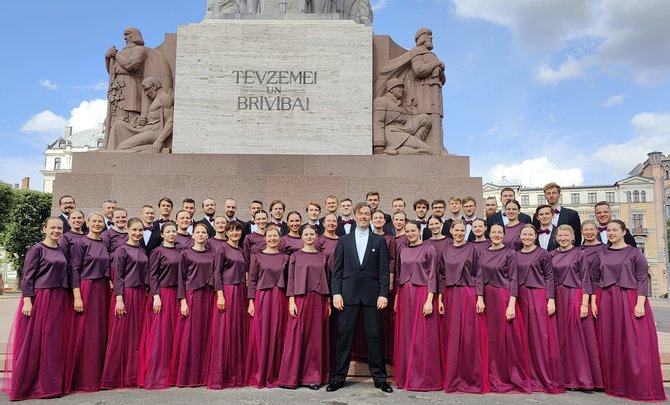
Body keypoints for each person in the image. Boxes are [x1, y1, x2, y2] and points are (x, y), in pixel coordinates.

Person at [591, 220, 665, 401]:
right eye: (609, 230)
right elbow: (594, 278)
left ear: (624, 232)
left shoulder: (635, 253)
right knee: (610, 340)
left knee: (633, 342)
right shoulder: (601, 254)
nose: (611, 233)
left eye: (615, 230)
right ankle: (614, 384)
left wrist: (640, 304)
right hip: (606, 299)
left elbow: (642, 280)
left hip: (630, 299)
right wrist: (593, 301)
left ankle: (635, 385)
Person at [327, 202, 392, 393]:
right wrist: (336, 293)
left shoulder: (379, 241)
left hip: (373, 297)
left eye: (366, 213)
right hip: (348, 295)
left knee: (375, 336)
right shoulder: (344, 241)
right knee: (344, 337)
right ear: (354, 216)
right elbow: (336, 271)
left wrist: (383, 294)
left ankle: (380, 379)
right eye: (360, 213)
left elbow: (384, 271)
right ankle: (338, 378)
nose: (363, 216)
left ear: (370, 216)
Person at [2, 217, 69, 401]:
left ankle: (49, 386)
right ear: (44, 229)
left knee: (51, 342)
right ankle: (27, 386)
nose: (56, 231)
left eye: (59, 228)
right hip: (40, 298)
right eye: (52, 227)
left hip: (58, 298)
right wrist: (27, 301)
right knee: (34, 341)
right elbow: (27, 277)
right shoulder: (37, 249)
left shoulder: (61, 250)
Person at [477, 223, 531, 393]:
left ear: (504, 234)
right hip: (486, 297)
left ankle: (504, 374)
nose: (497, 235)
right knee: (489, 338)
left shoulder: (510, 253)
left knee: (504, 338)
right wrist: (479, 298)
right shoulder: (483, 252)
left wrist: (512, 304)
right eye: (494, 232)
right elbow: (479, 277)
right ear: (489, 233)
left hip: (502, 297)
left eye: (500, 232)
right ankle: (489, 373)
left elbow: (514, 279)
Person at [437, 220, 488, 394]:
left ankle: (470, 377)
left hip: (468, 294)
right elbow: (442, 276)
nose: (459, 233)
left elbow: (479, 274)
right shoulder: (446, 250)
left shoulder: (473, 248)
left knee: (468, 337)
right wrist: (440, 299)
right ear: (450, 230)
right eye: (456, 230)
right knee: (452, 336)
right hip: (451, 296)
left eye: (462, 230)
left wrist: (479, 298)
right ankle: (452, 376)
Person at [278, 225, 331, 390]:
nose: (309, 236)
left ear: (316, 236)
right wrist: (291, 300)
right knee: (297, 335)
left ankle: (313, 377)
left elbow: (328, 279)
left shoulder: (323, 256)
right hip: (300, 299)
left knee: (315, 338)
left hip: (319, 299)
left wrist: (328, 302)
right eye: (306, 234)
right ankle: (292, 376)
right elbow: (291, 279)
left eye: (311, 234)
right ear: (301, 236)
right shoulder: (295, 256)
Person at [550, 225, 602, 390]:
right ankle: (565, 378)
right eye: (560, 235)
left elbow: (586, 280)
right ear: (556, 237)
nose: (563, 238)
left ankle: (581, 379)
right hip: (558, 297)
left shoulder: (580, 254)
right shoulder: (551, 255)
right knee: (561, 338)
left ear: (573, 237)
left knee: (576, 338)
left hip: (575, 296)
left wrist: (584, 304)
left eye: (567, 235)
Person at [515, 224, 564, 394]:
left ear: (535, 236)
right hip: (521, 297)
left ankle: (544, 376)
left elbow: (550, 277)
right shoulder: (515, 255)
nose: (527, 237)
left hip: (538, 296)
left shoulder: (543, 253)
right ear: (520, 237)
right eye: (524, 235)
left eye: (530, 235)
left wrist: (550, 299)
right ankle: (527, 374)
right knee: (524, 337)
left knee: (540, 336)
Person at [101, 217, 149, 389]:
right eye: (134, 230)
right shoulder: (121, 250)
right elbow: (118, 275)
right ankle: (113, 377)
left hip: (140, 295)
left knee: (136, 335)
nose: (137, 233)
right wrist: (119, 299)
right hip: (126, 294)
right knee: (121, 334)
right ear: (128, 230)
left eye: (140, 230)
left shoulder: (143, 251)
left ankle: (133, 374)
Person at [393, 221, 441, 391]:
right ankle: (407, 377)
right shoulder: (403, 250)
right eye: (407, 231)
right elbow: (399, 276)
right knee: (406, 335)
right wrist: (397, 299)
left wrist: (429, 300)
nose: (410, 233)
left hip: (422, 293)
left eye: (413, 230)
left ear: (419, 231)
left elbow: (433, 275)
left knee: (422, 336)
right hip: (405, 294)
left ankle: (423, 378)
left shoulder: (429, 249)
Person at [66, 212, 111, 393]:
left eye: (100, 222)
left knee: (99, 331)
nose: (98, 224)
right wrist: (77, 295)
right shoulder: (80, 243)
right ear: (88, 223)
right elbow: (74, 270)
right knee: (84, 332)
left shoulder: (104, 243)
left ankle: (96, 374)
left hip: (102, 290)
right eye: (94, 221)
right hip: (87, 288)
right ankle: (81, 377)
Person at [138, 221, 181, 389]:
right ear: (162, 234)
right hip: (162, 295)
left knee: (173, 334)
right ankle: (157, 372)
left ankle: (172, 372)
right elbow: (153, 275)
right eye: (168, 231)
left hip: (176, 294)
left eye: (173, 231)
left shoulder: (180, 251)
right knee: (160, 335)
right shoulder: (157, 252)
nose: (172, 233)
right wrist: (156, 296)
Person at [245, 226, 289, 388]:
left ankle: (276, 373)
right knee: (262, 334)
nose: (272, 239)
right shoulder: (256, 257)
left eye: (275, 236)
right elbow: (253, 281)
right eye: (269, 236)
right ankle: (261, 373)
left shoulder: (286, 258)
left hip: (280, 298)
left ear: (279, 239)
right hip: (262, 298)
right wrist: (251, 301)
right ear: (265, 238)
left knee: (278, 334)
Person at [174, 223, 216, 387]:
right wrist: (182, 300)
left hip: (208, 296)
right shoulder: (186, 253)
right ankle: (188, 376)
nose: (200, 235)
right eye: (197, 232)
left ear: (207, 236)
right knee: (191, 335)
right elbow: (181, 278)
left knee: (205, 335)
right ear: (193, 235)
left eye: (203, 232)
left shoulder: (212, 254)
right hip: (192, 296)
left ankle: (203, 375)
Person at [209, 221, 248, 389]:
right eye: (231, 230)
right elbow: (216, 272)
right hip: (227, 291)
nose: (234, 233)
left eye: (237, 230)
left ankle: (235, 375)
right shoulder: (221, 249)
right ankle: (221, 376)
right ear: (226, 232)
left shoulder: (240, 250)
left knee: (236, 332)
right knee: (224, 332)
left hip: (240, 292)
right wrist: (220, 295)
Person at [106, 77, 174, 152]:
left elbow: (171, 121)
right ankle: (109, 151)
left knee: (122, 147)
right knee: (118, 125)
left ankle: (150, 148)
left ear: (154, 86)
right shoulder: (156, 99)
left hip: (155, 132)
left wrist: (159, 142)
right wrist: (138, 122)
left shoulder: (164, 98)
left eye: (146, 89)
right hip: (146, 129)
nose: (146, 93)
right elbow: (154, 118)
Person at [372, 78, 431, 155]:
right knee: (425, 149)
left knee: (425, 118)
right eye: (399, 87)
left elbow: (404, 119)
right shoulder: (381, 101)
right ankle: (394, 150)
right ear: (391, 89)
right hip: (392, 133)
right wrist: (378, 145)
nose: (402, 90)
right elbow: (378, 122)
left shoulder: (398, 104)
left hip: (403, 129)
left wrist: (409, 108)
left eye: (402, 87)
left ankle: (410, 143)